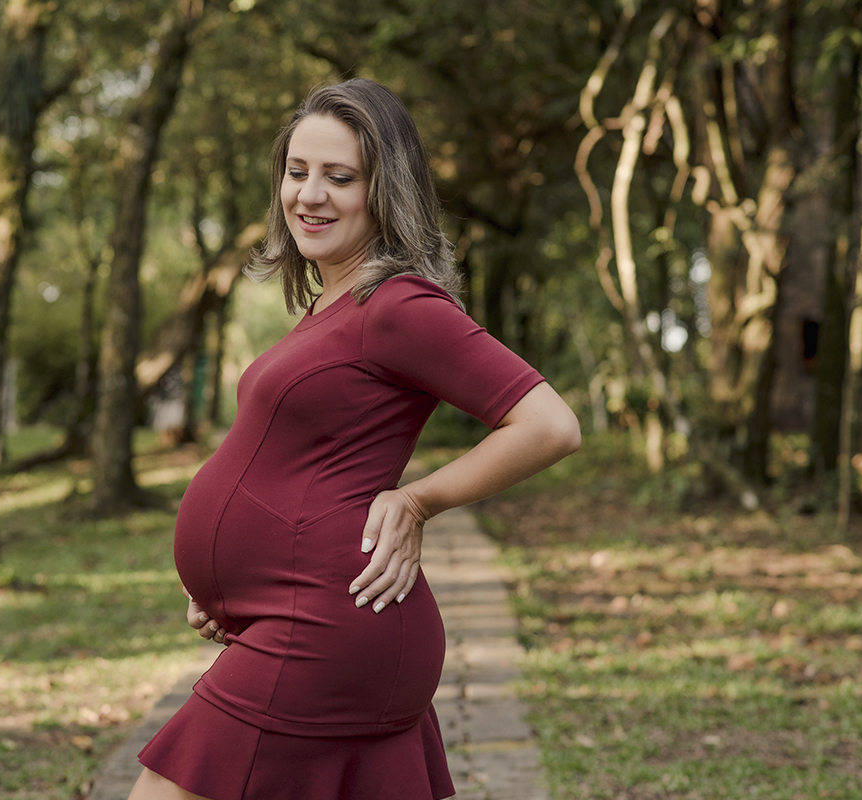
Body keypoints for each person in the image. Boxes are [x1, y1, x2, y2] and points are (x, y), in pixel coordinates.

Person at [128, 78, 581, 800]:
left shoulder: (397, 305)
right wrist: (231, 586)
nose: (310, 194)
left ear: (385, 191)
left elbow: (551, 424)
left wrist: (419, 500)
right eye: (297, 172)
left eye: (340, 177)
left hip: (327, 628)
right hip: (294, 617)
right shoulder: (331, 303)